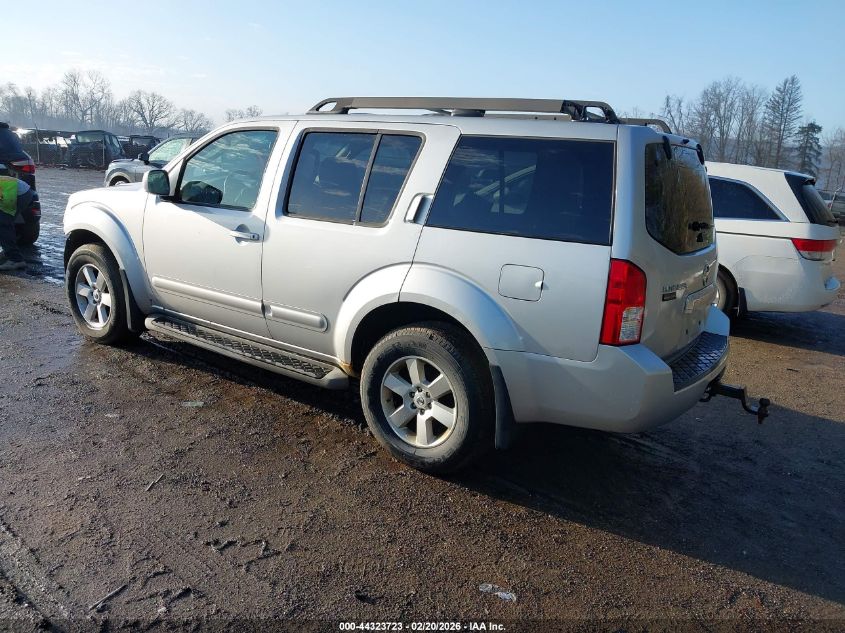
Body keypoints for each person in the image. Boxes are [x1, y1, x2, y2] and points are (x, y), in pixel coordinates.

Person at [0, 166, 31, 271]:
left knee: (3, 225)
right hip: (22, 191)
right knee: (5, 225)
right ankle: (10, 252)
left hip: (20, 194)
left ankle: (16, 260)